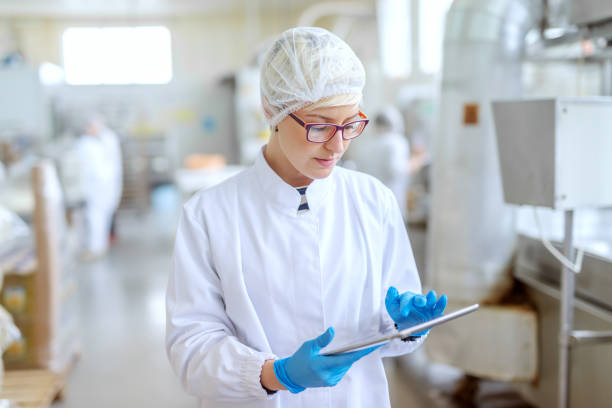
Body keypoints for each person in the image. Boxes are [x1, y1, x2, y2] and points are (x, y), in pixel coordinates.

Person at [166, 27, 447, 408]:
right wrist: (275, 374)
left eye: (350, 124)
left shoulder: (372, 200)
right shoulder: (209, 215)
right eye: (319, 126)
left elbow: (387, 332)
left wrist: (405, 326)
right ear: (272, 111)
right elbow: (192, 349)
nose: (338, 144)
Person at [354, 106, 411, 219]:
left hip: (367, 202)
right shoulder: (396, 143)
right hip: (391, 200)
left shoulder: (367, 144)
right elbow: (397, 170)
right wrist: (417, 161)